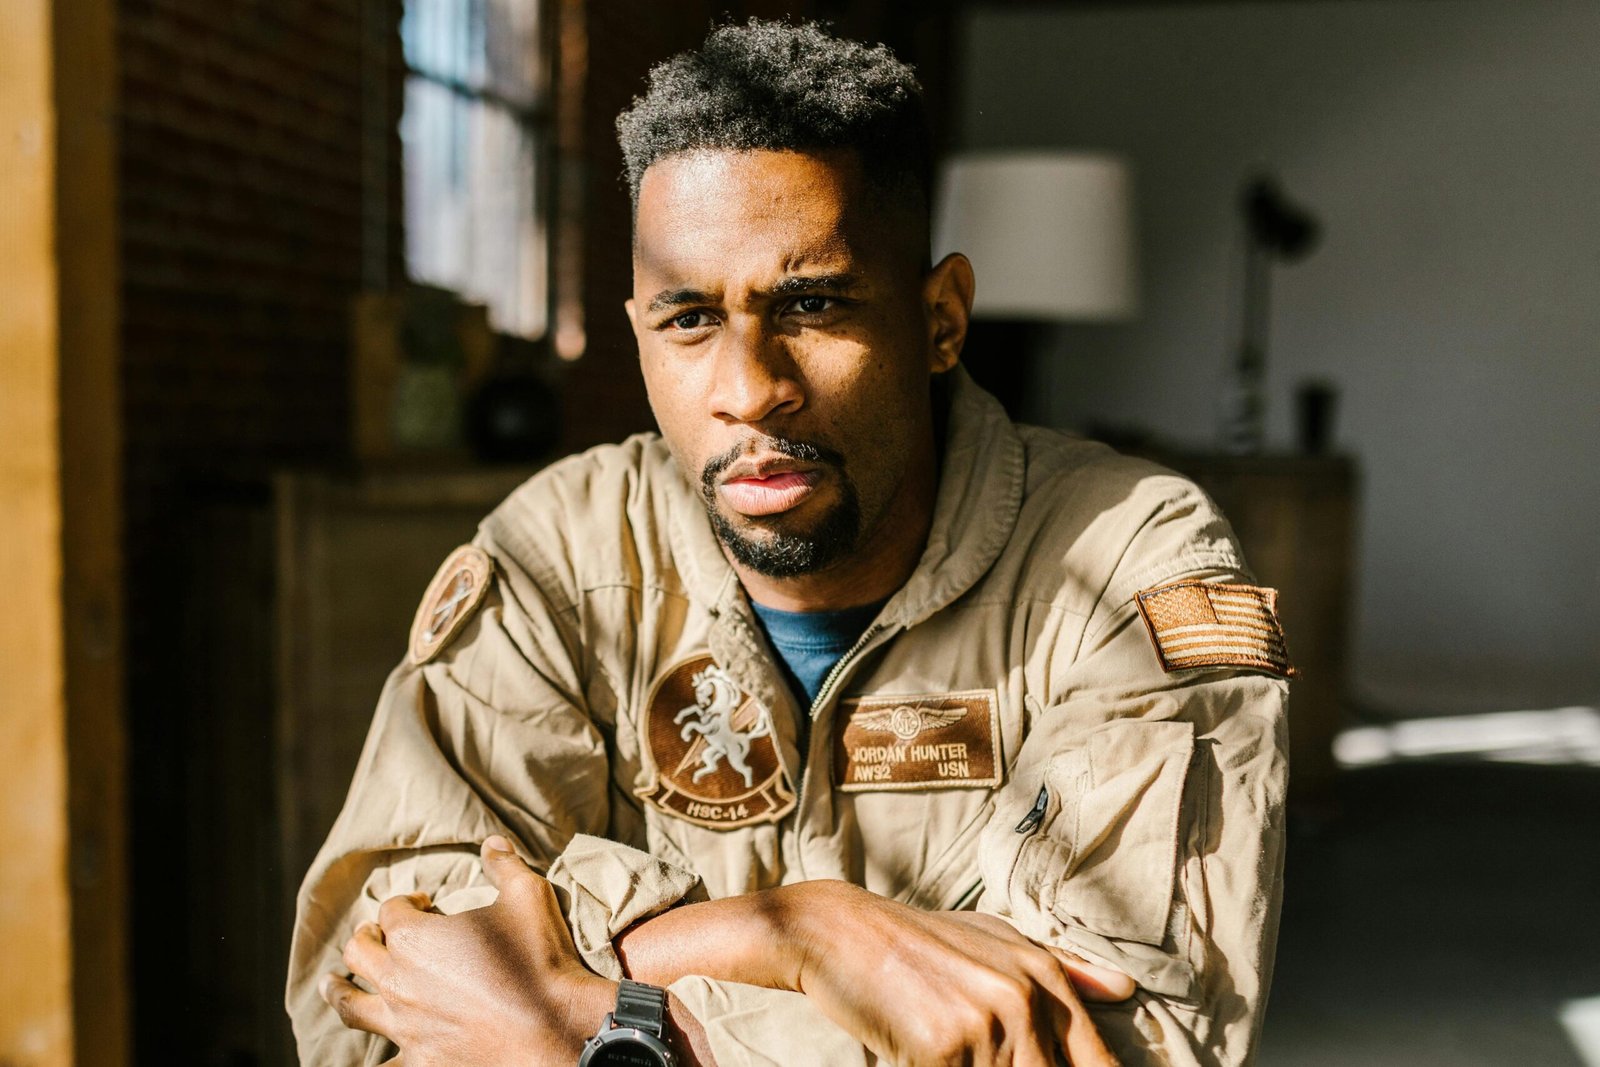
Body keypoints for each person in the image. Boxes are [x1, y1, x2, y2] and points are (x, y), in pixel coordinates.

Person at [287, 18, 1290, 1067]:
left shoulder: (1132, 558)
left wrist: (590, 1014)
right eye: (687, 320)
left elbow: (1138, 1040)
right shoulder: (557, 555)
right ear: (636, 334)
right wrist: (805, 933)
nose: (748, 387)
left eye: (810, 304)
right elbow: (365, 1004)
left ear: (941, 317)